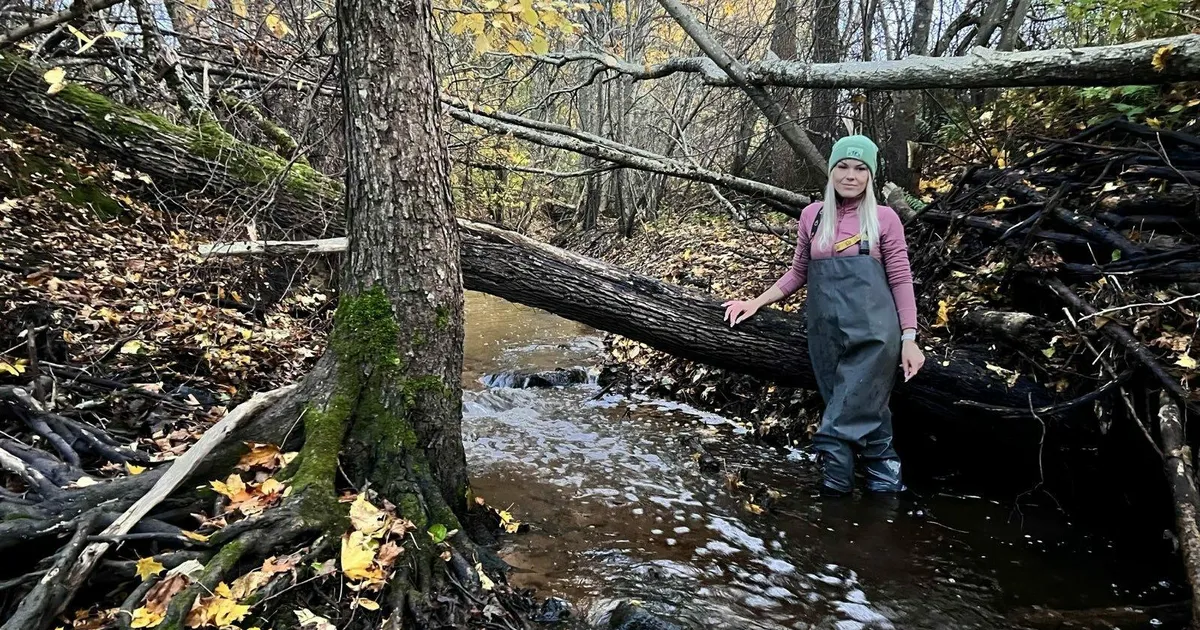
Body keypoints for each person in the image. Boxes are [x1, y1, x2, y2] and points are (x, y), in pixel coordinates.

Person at [722, 135, 924, 496]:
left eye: (860, 169)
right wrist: (756, 301)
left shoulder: (885, 218)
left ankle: (834, 510)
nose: (851, 175)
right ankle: (885, 506)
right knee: (870, 417)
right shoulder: (812, 217)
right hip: (824, 335)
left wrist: (909, 339)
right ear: (831, 172)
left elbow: (901, 279)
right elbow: (799, 272)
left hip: (875, 339)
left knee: (837, 424)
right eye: (843, 167)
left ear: (871, 175)